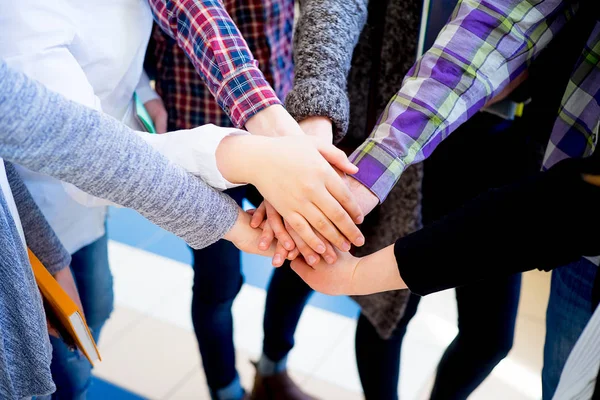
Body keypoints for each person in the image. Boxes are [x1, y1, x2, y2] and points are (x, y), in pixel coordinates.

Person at [0, 1, 364, 397]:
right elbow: (81, 151)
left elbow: (194, 13)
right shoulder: (23, 21)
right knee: (66, 360)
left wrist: (283, 133)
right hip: (79, 191)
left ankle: (269, 370)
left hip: (178, 162)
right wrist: (241, 194)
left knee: (96, 305)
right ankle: (225, 389)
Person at [288, 0, 600, 397]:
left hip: (522, 156)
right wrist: (362, 165)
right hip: (418, 139)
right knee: (391, 314)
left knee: (490, 338)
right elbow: (497, 25)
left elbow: (558, 212)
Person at [146, 1, 318, 397]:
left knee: (306, 253)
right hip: (198, 135)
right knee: (218, 283)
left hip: (280, 119)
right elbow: (197, 14)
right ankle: (226, 392)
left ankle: (273, 370)